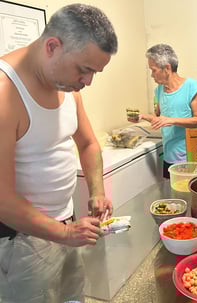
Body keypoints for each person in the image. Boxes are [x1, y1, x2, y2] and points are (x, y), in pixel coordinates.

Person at [0, 4, 117, 303]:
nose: (88, 82)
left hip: (67, 222)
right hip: (23, 240)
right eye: (85, 69)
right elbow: (2, 200)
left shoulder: (66, 85)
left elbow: (88, 144)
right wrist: (64, 234)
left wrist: (96, 190)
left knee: (71, 296)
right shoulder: (5, 94)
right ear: (53, 46)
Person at [135, 44, 197, 178]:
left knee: (190, 197)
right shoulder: (159, 90)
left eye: (153, 70)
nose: (151, 75)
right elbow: (158, 117)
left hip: (190, 158)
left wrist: (171, 120)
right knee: (172, 197)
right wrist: (142, 116)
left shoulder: (191, 86)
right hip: (169, 156)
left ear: (167, 68)